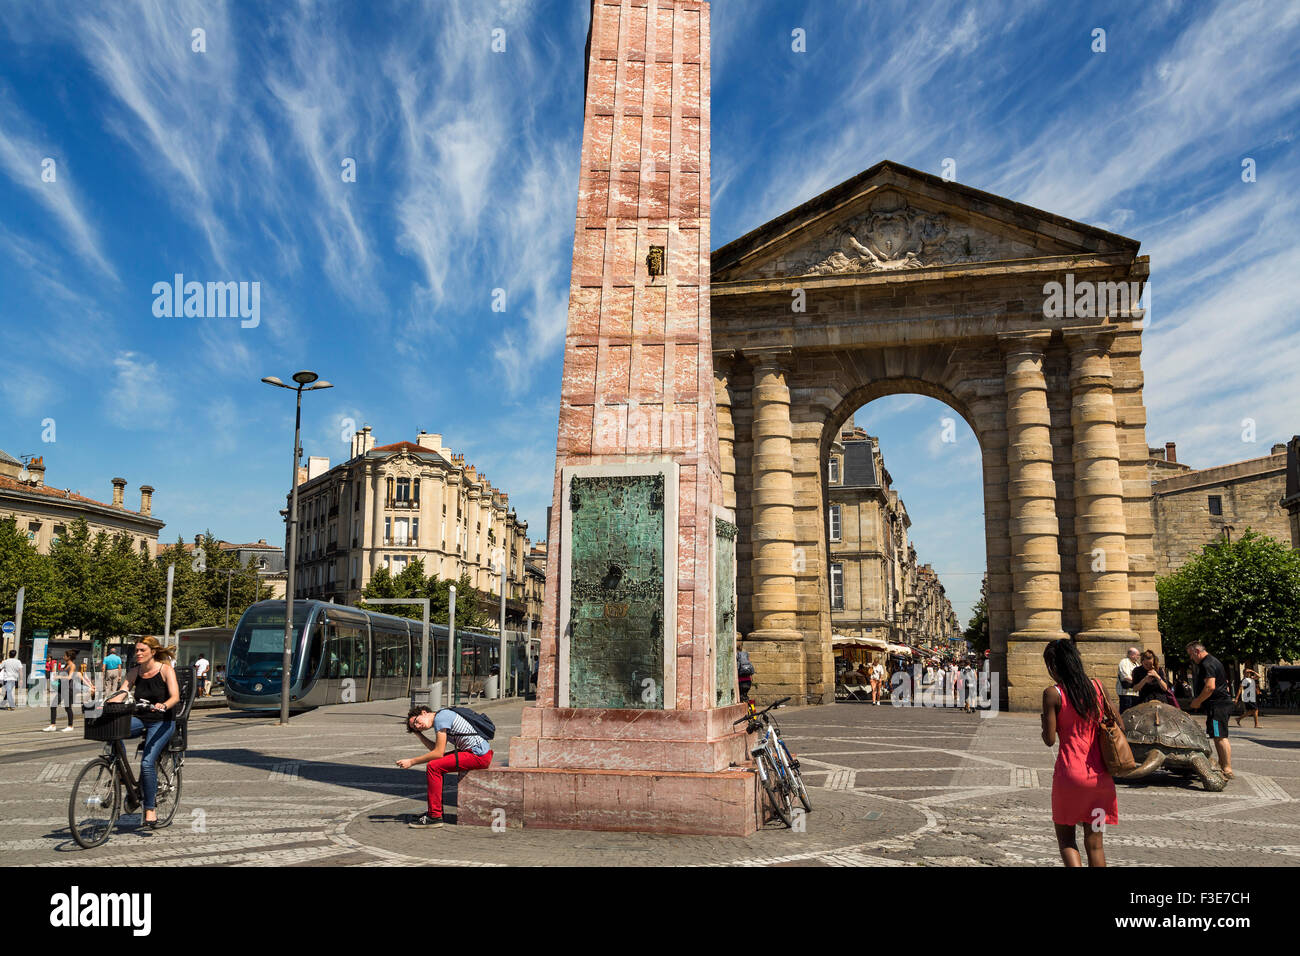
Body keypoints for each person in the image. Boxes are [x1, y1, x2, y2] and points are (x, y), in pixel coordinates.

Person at [1041, 638, 1116, 867]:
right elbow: (1117, 723)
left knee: (1066, 840)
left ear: (1054, 666)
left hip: (1070, 777)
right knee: (1095, 844)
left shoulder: (1053, 694)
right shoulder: (1098, 686)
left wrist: (1045, 721)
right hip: (1100, 779)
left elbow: (1050, 740)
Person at [106, 637, 180, 829]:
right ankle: (120, 771)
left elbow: (175, 697)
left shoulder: (165, 670)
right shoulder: (134, 671)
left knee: (147, 763)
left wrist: (164, 705)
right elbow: (122, 692)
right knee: (113, 730)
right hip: (141, 717)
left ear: (152, 652)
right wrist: (108, 702)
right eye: (136, 650)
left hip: (163, 720)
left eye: (141, 650)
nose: (137, 653)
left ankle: (149, 808)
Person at [398, 705, 494, 828]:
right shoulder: (442, 716)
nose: (417, 726)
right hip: (477, 753)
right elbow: (436, 750)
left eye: (416, 722)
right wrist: (419, 735)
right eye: (415, 728)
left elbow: (438, 753)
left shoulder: (440, 718)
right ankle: (434, 812)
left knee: (433, 767)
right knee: (435, 765)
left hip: (478, 755)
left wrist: (411, 762)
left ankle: (434, 816)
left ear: (424, 712)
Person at [1185, 642, 1233, 780]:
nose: (1191, 658)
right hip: (1218, 704)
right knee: (1219, 736)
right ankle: (1223, 765)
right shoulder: (1212, 661)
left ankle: (1227, 768)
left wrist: (1197, 701)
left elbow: (1210, 687)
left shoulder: (1207, 664)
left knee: (1220, 736)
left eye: (1191, 655)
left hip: (1217, 705)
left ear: (1197, 651)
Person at [44, 650, 93, 732]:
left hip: (68, 689)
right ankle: (52, 725)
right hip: (62, 688)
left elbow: (70, 677)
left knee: (68, 707)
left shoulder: (72, 666)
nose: (63, 657)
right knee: (53, 706)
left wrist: (59, 677)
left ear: (69, 657)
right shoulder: (66, 665)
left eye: (65, 655)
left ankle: (70, 726)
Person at [1116, 646, 1140, 713]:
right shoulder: (1124, 662)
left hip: (1135, 693)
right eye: (1137, 655)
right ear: (1131, 655)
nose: (1138, 657)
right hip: (1126, 693)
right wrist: (1138, 682)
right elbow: (1125, 677)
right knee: (1126, 713)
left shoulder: (1137, 664)